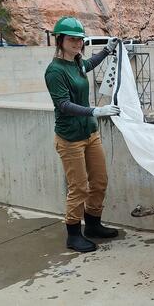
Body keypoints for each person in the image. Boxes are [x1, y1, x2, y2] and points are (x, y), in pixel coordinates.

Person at [45, 16, 121, 253]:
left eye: (80, 39)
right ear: (60, 40)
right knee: (79, 187)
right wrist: (96, 110)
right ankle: (74, 233)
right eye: (72, 39)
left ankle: (93, 225)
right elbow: (64, 105)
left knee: (99, 181)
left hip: (89, 133)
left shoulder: (77, 63)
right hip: (70, 139)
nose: (77, 43)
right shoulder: (54, 71)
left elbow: (90, 64)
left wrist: (107, 50)